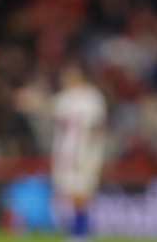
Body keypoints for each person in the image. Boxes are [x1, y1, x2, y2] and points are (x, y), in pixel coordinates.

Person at [51, 61, 107, 242]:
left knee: (82, 192)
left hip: (84, 152)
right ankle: (76, 231)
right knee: (67, 192)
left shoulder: (91, 96)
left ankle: (81, 232)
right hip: (65, 151)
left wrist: (91, 149)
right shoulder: (65, 97)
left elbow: (98, 124)